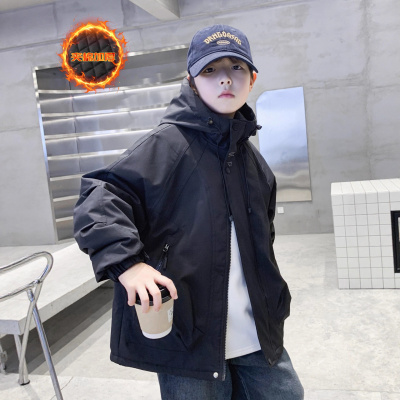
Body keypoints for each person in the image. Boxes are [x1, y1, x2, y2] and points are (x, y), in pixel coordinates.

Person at [74, 24, 304, 399]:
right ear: (192, 81)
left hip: (256, 332)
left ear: (252, 79)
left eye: (236, 67)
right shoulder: (168, 144)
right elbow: (100, 196)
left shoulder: (253, 163)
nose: (225, 79)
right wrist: (129, 264)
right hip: (189, 335)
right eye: (210, 70)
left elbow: (265, 239)